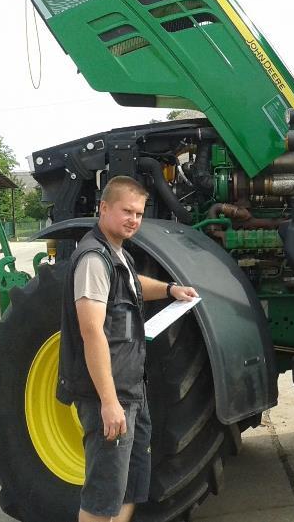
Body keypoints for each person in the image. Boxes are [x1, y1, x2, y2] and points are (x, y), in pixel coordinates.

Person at [56, 175, 198, 522]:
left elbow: (133, 286)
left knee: (131, 486)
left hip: (132, 391)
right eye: (126, 211)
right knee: (103, 493)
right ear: (103, 208)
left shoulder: (118, 254)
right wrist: (108, 403)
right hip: (110, 396)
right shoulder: (93, 259)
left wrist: (170, 290)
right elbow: (92, 334)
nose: (134, 219)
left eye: (139, 213)